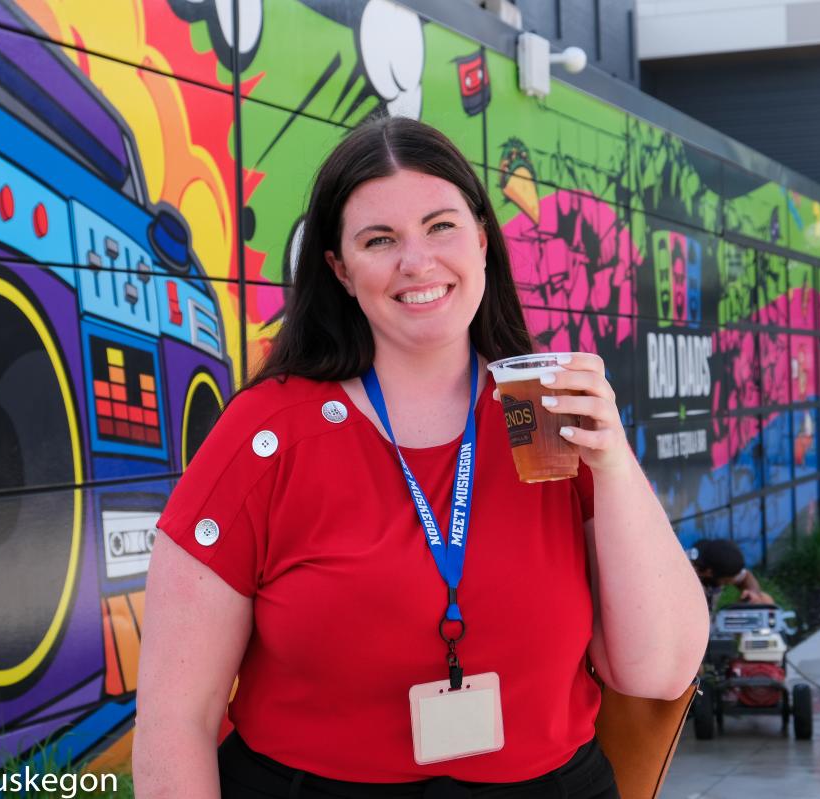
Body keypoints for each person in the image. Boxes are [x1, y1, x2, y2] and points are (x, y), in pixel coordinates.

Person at [133, 116, 708, 799]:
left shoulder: (551, 417)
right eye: (380, 240)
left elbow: (660, 671)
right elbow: (176, 718)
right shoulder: (266, 436)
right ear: (341, 272)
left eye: (441, 226)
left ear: (483, 241)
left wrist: (611, 460)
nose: (417, 261)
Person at [687, 538, 774, 610]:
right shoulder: (686, 576)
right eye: (728, 580)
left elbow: (746, 576)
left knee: (765, 600)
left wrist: (753, 593)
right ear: (708, 572)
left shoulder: (712, 561)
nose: (734, 580)